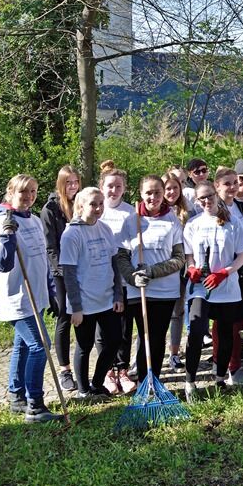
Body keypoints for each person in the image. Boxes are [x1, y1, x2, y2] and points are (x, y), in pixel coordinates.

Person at [0, 174, 62, 422]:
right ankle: (35, 406)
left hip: (36, 295)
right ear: (10, 192)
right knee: (40, 346)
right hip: (17, 298)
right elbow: (3, 264)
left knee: (22, 345)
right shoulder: (1, 223)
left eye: (33, 191)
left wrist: (51, 291)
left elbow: (42, 258)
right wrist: (7, 237)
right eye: (23, 191)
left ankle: (16, 396)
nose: (29, 196)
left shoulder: (34, 220)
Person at [114, 175, 186, 383]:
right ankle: (143, 382)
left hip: (165, 290)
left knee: (157, 336)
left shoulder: (172, 220)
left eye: (157, 192)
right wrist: (133, 277)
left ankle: (153, 380)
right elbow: (121, 256)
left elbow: (179, 258)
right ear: (141, 193)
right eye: (148, 193)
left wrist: (153, 271)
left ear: (163, 194)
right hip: (139, 290)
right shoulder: (132, 220)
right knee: (144, 336)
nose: (153, 197)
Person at [182, 181, 243, 399]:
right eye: (201, 198)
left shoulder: (232, 222)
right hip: (200, 287)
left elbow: (242, 256)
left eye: (209, 196)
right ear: (196, 201)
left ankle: (220, 378)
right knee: (196, 331)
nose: (206, 201)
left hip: (226, 286)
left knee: (225, 332)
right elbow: (189, 255)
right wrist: (191, 268)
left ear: (216, 194)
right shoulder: (192, 224)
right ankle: (190, 382)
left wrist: (225, 273)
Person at [60, 187, 124, 399]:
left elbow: (114, 264)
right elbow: (69, 274)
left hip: (106, 298)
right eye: (93, 204)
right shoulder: (71, 234)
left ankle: (97, 383)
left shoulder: (105, 229)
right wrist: (75, 307)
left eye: (101, 204)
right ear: (80, 206)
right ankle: (83, 391)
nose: (98, 208)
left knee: (115, 340)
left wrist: (118, 294)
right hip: (84, 303)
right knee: (84, 346)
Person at [212, 167, 243, 386]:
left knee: (242, 318)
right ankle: (223, 366)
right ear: (217, 186)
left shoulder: (241, 206)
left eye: (234, 182)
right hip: (224, 273)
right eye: (227, 183)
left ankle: (235, 363)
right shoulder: (214, 209)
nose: (233, 187)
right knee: (225, 322)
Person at [40, 165, 81, 393]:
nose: (73, 186)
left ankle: (84, 367)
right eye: (68, 182)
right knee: (65, 317)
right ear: (60, 184)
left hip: (82, 270)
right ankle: (65, 371)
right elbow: (50, 248)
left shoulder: (81, 204)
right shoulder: (50, 210)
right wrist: (65, 273)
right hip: (61, 272)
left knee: (86, 315)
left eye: (76, 182)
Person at [98, 161, 137, 394]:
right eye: (110, 186)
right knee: (103, 329)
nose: (114, 190)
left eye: (118, 186)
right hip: (100, 277)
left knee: (123, 327)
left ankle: (122, 369)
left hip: (123, 278)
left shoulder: (130, 212)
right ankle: (107, 372)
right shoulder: (95, 208)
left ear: (124, 188)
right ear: (102, 187)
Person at [163, 172, 191, 372]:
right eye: (168, 188)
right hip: (161, 267)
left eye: (175, 187)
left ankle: (174, 353)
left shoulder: (186, 211)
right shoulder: (156, 211)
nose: (172, 192)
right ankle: (143, 356)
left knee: (177, 312)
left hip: (181, 269)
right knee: (154, 315)